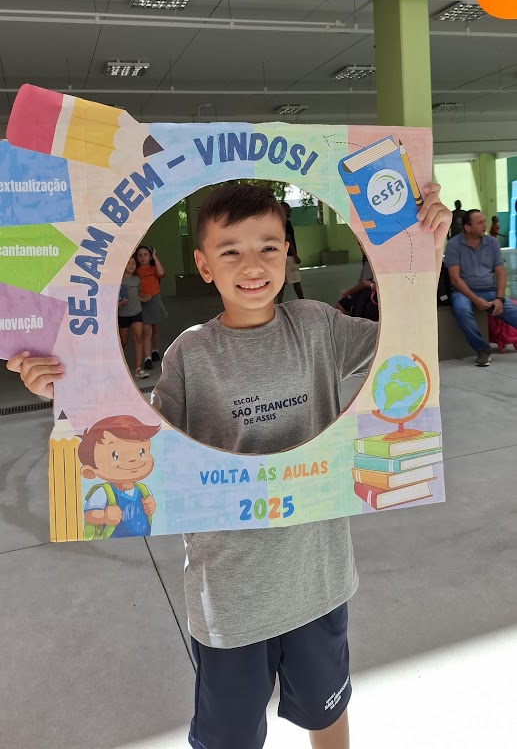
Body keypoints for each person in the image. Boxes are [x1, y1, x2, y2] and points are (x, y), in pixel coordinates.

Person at [7, 182, 450, 749]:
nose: (252, 265)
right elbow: (142, 448)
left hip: (317, 571)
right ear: (203, 264)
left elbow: (405, 346)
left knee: (326, 712)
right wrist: (64, 390)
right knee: (231, 735)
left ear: (288, 250)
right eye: (230, 250)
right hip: (230, 587)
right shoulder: (189, 354)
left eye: (268, 246)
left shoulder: (317, 325)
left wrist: (418, 262)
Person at [444, 208, 517, 367]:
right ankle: (482, 349)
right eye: (480, 222)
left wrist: (499, 298)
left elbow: (500, 273)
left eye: (485, 221)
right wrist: (475, 299)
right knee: (462, 310)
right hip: (463, 292)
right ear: (467, 227)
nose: (485, 225)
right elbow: (455, 279)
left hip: (490, 291)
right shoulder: (453, 245)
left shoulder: (492, 242)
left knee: (512, 311)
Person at [79, 414, 159, 539]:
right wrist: (104, 516)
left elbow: (150, 508)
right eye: (115, 455)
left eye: (141, 452)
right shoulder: (103, 493)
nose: (133, 460)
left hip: (144, 537)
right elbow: (88, 515)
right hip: (113, 542)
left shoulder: (143, 490)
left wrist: (151, 506)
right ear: (90, 471)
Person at [118, 255, 151, 379]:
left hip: (136, 312)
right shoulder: (118, 280)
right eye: (128, 263)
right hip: (123, 314)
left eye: (133, 263)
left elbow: (136, 294)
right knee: (123, 341)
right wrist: (119, 304)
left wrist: (144, 297)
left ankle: (138, 368)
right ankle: (120, 365)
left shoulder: (136, 280)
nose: (131, 265)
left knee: (139, 337)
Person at [135, 244, 168, 371]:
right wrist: (141, 296)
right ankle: (147, 358)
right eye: (140, 255)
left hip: (155, 300)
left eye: (146, 255)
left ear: (150, 256)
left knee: (155, 329)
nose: (143, 258)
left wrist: (155, 256)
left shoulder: (154, 268)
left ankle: (155, 350)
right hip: (143, 302)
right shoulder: (135, 271)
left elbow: (161, 273)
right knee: (146, 331)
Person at [336, 255, 378, 321]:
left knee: (343, 307)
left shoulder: (369, 257)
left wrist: (347, 292)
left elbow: (365, 283)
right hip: (370, 294)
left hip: (366, 293)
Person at [277, 201, 304, 302]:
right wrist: (295, 255)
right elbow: (288, 238)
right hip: (289, 256)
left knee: (282, 282)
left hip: (281, 256)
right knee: (296, 280)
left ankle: (279, 302)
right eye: (287, 209)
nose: (289, 211)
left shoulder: (278, 223)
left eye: (290, 209)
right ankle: (303, 300)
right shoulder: (286, 223)